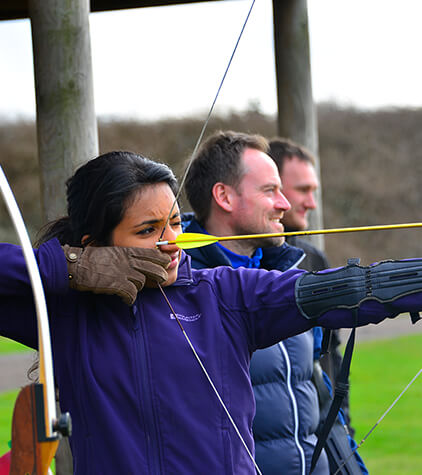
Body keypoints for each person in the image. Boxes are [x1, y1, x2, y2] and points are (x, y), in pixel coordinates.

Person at [1, 150, 421, 474]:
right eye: (148, 230)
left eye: (173, 223)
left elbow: (345, 289)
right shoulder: (65, 310)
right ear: (96, 244)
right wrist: (70, 267)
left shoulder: (222, 294)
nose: (171, 242)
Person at [183, 131, 363, 474]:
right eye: (270, 191)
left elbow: (319, 399)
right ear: (223, 196)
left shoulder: (291, 272)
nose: (285, 204)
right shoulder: (177, 287)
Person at [268, 138, 350, 432]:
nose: (311, 203)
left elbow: (332, 359)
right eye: (303, 190)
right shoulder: (236, 262)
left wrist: (342, 432)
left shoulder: (314, 259)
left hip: (318, 438)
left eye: (313, 191)